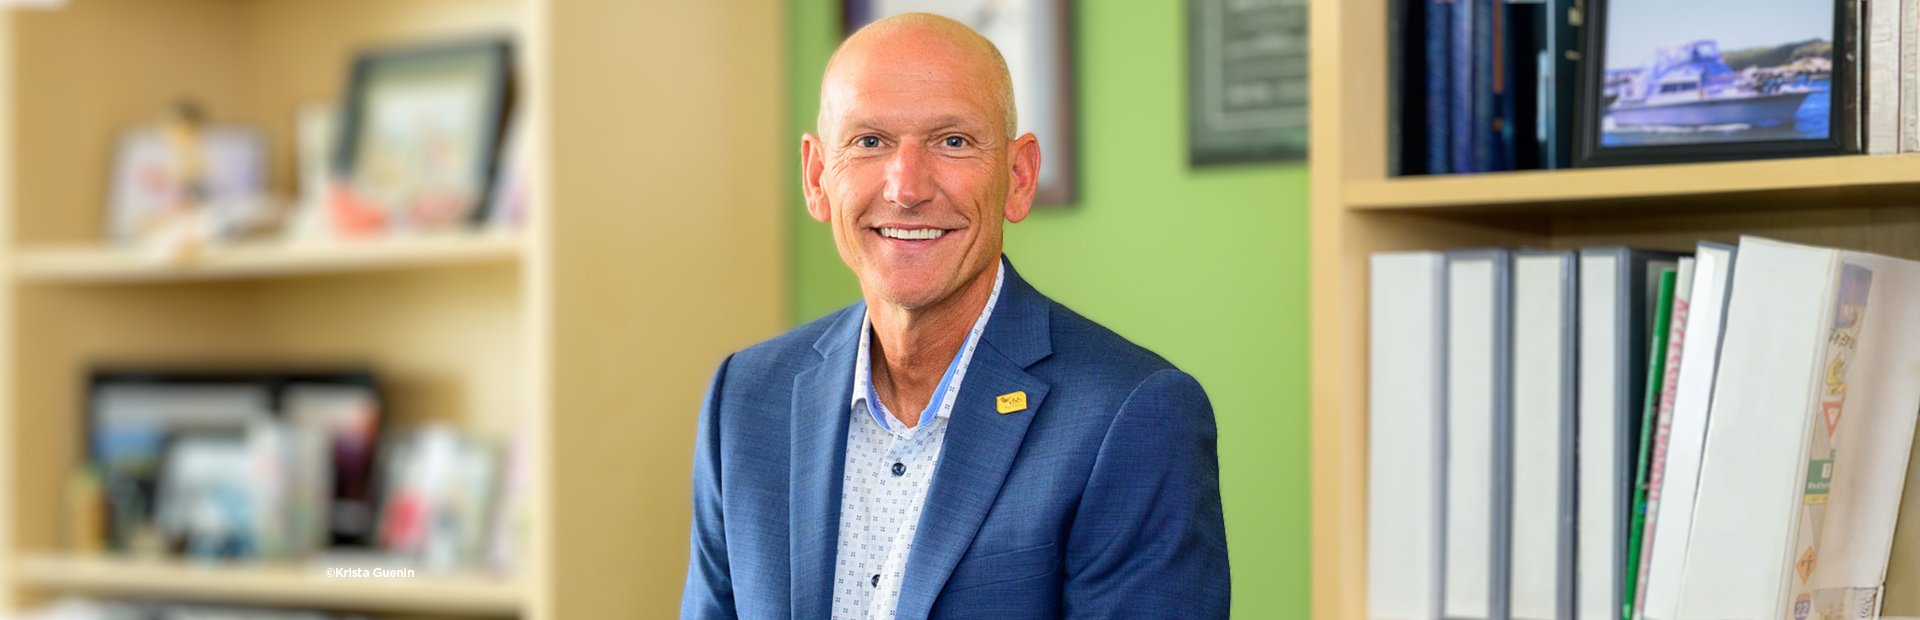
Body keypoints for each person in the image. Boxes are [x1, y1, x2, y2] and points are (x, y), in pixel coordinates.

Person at [680, 13, 1229, 619]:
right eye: (870, 142)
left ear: (1018, 178)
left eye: (953, 141)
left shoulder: (1133, 417)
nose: (906, 187)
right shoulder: (746, 400)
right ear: (816, 178)